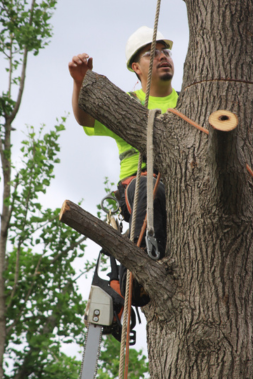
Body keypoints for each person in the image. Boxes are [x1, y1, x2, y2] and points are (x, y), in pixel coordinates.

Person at [68, 26, 178, 303]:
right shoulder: (128, 105)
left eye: (166, 52)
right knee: (148, 187)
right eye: (153, 54)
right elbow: (85, 118)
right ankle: (140, 273)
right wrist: (79, 82)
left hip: (182, 188)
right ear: (135, 68)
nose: (163, 57)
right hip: (140, 186)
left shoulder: (190, 102)